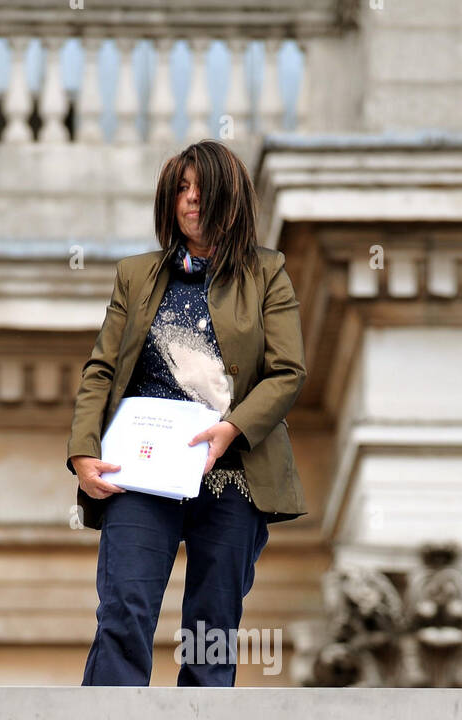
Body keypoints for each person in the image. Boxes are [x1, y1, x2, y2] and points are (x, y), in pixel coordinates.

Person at [66, 139, 308, 686]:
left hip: (231, 471)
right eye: (181, 189)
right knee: (124, 605)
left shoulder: (268, 273)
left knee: (213, 623)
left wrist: (230, 430)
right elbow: (100, 369)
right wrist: (83, 449)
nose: (191, 199)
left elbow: (287, 370)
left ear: (231, 198)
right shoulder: (136, 275)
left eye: (202, 188)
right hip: (142, 467)